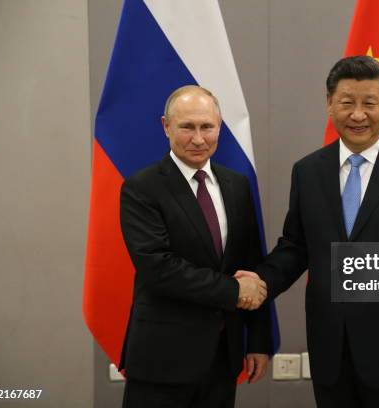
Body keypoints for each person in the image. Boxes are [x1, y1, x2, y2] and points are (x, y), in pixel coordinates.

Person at [236, 56, 379, 407]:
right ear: (329, 104)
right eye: (347, 103)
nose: (358, 115)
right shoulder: (308, 171)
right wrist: (260, 281)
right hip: (332, 349)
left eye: (369, 103)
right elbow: (296, 247)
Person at [119, 85, 271, 408]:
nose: (199, 138)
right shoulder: (141, 188)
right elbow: (159, 268)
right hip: (162, 359)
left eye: (207, 127)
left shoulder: (237, 185)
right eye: (187, 127)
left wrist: (258, 340)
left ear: (219, 127)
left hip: (222, 357)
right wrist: (232, 290)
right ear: (166, 126)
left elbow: (251, 263)